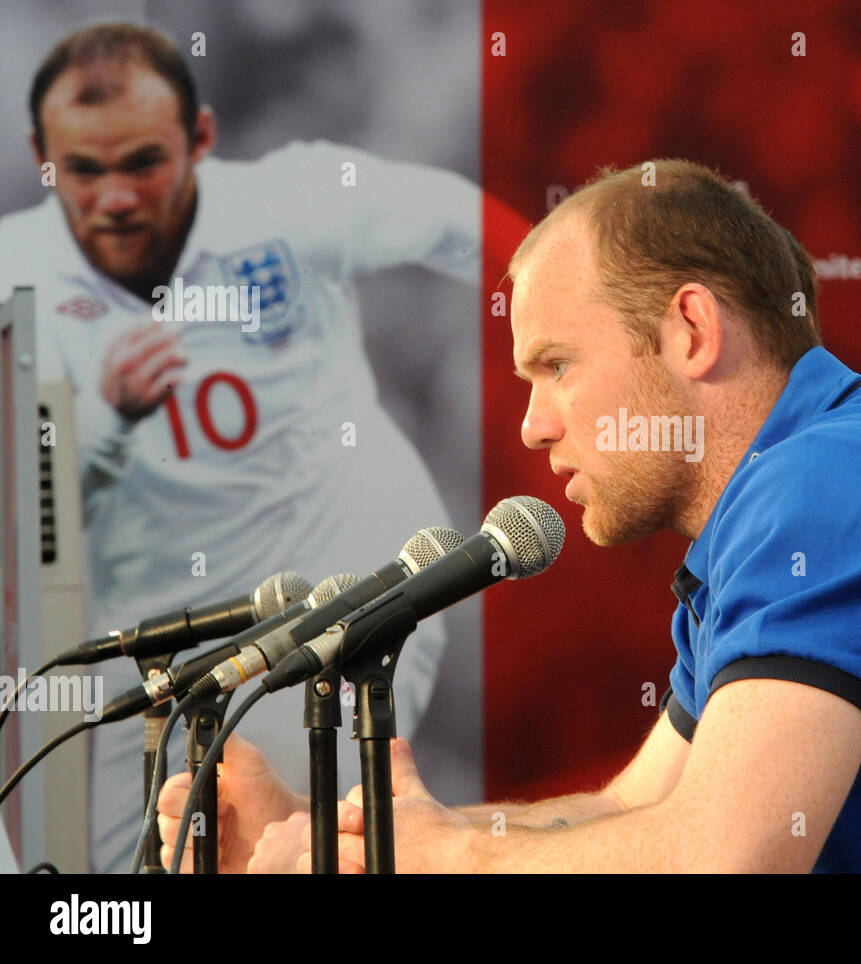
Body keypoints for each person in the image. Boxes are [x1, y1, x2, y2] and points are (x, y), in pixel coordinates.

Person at [159, 158, 861, 872]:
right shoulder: (809, 483)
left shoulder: (828, 488)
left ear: (689, 330)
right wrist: (367, 841)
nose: (534, 428)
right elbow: (634, 810)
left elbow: (722, 858)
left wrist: (440, 860)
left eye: (555, 364)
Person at [0, 22, 483, 872]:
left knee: (264, 846)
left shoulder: (293, 201)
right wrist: (106, 424)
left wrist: (590, 309)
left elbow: (468, 223)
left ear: (202, 139)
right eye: (83, 170)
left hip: (325, 591)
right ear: (42, 156)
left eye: (143, 163)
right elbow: (21, 536)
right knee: (108, 886)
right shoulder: (15, 281)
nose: (114, 195)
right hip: (149, 644)